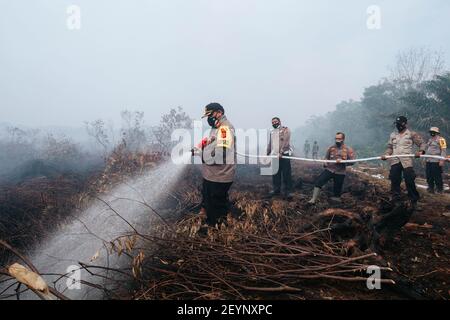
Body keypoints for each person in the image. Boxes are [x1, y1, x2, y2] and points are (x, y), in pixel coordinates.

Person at [195, 103, 236, 226]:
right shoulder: (216, 127)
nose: (209, 118)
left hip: (220, 175)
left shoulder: (225, 129)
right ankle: (211, 227)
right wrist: (199, 148)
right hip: (211, 174)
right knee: (208, 203)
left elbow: (220, 154)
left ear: (219, 112)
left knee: (217, 207)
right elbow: (210, 143)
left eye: (211, 114)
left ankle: (218, 233)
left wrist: (201, 155)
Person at [381, 116, 426, 206]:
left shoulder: (411, 134)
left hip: (406, 161)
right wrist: (386, 154)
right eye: (397, 124)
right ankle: (395, 198)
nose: (398, 126)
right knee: (394, 179)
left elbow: (422, 143)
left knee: (409, 179)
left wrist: (420, 152)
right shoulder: (393, 135)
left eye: (400, 124)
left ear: (405, 124)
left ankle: (413, 199)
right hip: (395, 160)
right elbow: (390, 147)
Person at [308, 132, 355, 204]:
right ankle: (313, 199)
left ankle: (335, 204)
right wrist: (325, 162)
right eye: (336, 138)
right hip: (330, 169)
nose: (337, 140)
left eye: (339, 139)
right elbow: (326, 158)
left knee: (337, 191)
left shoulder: (348, 149)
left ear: (343, 139)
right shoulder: (331, 148)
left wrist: (343, 162)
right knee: (319, 181)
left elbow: (352, 162)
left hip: (340, 172)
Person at [267, 117, 293, 199]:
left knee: (286, 174)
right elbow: (270, 143)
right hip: (275, 156)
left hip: (284, 155)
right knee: (276, 174)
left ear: (279, 122)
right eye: (273, 122)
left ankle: (288, 191)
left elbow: (286, 142)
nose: (274, 123)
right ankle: (276, 190)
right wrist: (267, 152)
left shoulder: (285, 130)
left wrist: (281, 152)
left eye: (275, 121)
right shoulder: (272, 132)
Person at [425, 127, 447, 194]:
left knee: (437, 176)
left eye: (433, 132)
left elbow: (443, 150)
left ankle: (439, 189)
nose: (432, 133)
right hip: (429, 161)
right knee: (429, 176)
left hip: (436, 161)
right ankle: (430, 188)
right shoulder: (430, 140)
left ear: (437, 132)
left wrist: (442, 160)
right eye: (431, 131)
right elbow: (427, 149)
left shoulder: (441, 139)